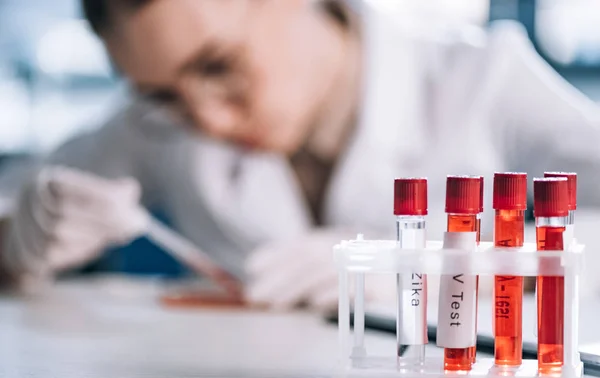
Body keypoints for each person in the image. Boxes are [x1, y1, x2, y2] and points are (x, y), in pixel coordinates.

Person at [1, 0, 600, 307]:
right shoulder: (156, 125)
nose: (206, 118)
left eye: (218, 65)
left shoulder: (482, 77)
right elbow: (15, 207)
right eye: (165, 95)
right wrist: (17, 236)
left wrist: (458, 264)